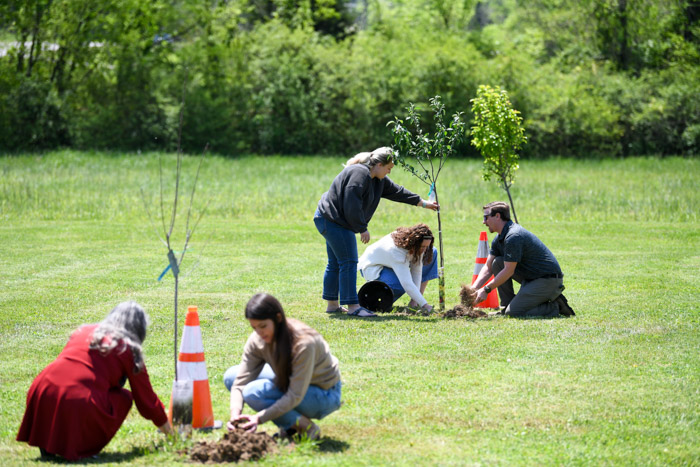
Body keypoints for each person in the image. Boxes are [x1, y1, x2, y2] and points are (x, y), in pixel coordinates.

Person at [17, 302, 173, 461]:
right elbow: (146, 400)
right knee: (123, 398)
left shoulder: (83, 331)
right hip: (77, 399)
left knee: (75, 395)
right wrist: (171, 433)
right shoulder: (128, 348)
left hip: (41, 390)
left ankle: (49, 444)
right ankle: (85, 447)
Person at [314, 147, 439, 317]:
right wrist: (362, 228)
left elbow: (398, 192)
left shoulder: (378, 180)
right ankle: (353, 307)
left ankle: (332, 306)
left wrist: (423, 203)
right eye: (388, 168)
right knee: (349, 262)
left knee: (336, 263)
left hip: (331, 220)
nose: (389, 172)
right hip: (332, 220)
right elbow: (352, 202)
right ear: (378, 164)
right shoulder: (359, 173)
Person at [224, 293, 342, 440]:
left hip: (325, 394)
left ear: (278, 318)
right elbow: (240, 382)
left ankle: (308, 429)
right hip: (293, 383)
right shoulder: (257, 340)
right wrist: (235, 414)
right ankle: (291, 427)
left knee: (252, 392)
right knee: (231, 376)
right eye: (254, 327)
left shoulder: (304, 343)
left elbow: (295, 394)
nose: (259, 333)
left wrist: (259, 418)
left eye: (263, 326)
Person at [472, 201, 576, 318]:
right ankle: (506, 306)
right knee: (497, 263)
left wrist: (486, 289)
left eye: (486, 217)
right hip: (532, 277)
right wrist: (473, 288)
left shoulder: (513, 237)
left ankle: (555, 306)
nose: (484, 222)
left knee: (514, 313)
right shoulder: (500, 237)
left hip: (548, 280)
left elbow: (508, 271)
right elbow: (488, 266)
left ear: (497, 216)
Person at [358, 223, 438, 312]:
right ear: (414, 242)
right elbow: (406, 283)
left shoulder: (417, 246)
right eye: (422, 246)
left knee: (432, 251)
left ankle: (414, 301)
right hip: (373, 266)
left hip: (389, 264)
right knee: (399, 284)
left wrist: (415, 301)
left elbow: (417, 272)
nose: (424, 250)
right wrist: (425, 305)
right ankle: (374, 299)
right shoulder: (397, 252)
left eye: (427, 246)